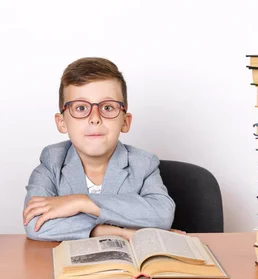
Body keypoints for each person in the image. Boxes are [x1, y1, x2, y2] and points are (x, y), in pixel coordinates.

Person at [22, 57, 175, 241]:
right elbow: (34, 224)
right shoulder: (51, 163)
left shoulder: (143, 164)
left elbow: (162, 214)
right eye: (80, 108)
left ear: (125, 122)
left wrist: (82, 202)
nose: (95, 118)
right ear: (62, 123)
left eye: (108, 107)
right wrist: (116, 231)